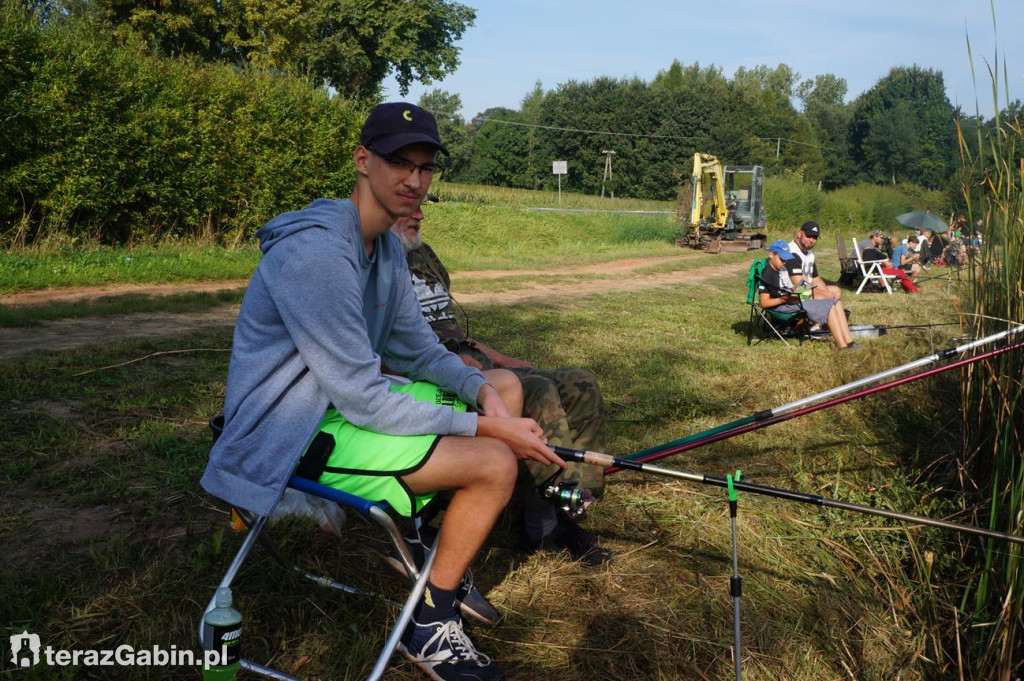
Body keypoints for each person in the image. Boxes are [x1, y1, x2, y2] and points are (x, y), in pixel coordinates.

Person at [201, 102, 566, 681]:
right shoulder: (319, 254)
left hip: (338, 408)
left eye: (426, 167)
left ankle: (424, 546)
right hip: (288, 428)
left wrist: (484, 395)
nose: (415, 181)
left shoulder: (390, 249)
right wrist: (488, 429)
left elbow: (418, 350)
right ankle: (430, 625)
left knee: (503, 384)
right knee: (495, 462)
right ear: (363, 161)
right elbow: (365, 398)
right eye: (401, 162)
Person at [391, 202, 612, 567]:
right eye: (409, 208)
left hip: (469, 362)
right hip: (433, 373)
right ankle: (541, 525)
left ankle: (573, 502)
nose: (419, 215)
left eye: (421, 207)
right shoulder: (378, 263)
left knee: (580, 383)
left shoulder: (423, 254)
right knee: (537, 390)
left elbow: (456, 331)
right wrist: (448, 364)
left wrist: (499, 358)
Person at [759, 240, 857, 350]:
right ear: (771, 255)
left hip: (792, 300)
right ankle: (842, 346)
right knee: (829, 306)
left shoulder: (780, 269)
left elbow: (785, 288)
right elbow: (764, 303)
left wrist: (799, 287)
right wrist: (786, 298)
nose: (784, 263)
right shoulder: (767, 273)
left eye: (786, 260)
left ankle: (849, 342)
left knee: (836, 302)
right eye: (782, 259)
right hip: (783, 306)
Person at [787, 221, 842, 300]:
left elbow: (815, 279)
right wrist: (824, 294)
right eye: (808, 236)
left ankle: (834, 310)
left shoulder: (810, 254)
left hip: (806, 288)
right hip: (792, 294)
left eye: (814, 237)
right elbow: (798, 286)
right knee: (824, 297)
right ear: (799, 234)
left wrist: (826, 292)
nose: (811, 240)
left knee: (836, 291)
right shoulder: (792, 252)